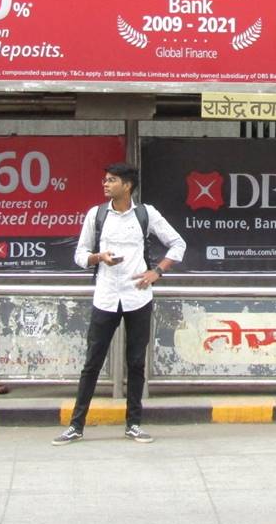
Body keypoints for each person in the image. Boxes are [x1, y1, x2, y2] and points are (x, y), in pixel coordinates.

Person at [53, 162, 186, 445]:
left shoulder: (146, 214)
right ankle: (76, 426)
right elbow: (79, 254)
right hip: (105, 296)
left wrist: (157, 272)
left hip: (138, 296)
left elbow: (178, 244)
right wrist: (99, 258)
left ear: (127, 186)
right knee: (92, 363)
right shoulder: (97, 214)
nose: (105, 184)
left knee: (136, 362)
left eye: (111, 180)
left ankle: (134, 424)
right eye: (105, 180)